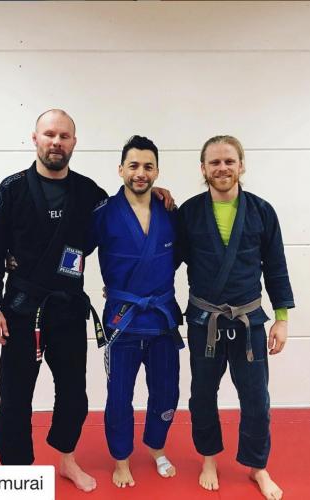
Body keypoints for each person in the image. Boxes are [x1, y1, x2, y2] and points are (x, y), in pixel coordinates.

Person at [0, 109, 173, 493]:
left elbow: (122, 218)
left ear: (74, 143)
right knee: (15, 397)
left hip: (67, 309)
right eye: (49, 134)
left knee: (73, 395)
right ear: (35, 138)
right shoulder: (12, 189)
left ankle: (67, 460)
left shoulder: (89, 194)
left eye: (64, 136)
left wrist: (153, 194)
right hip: (20, 309)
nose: (56, 142)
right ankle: (17, 475)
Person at [177, 135, 295, 499]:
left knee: (256, 398)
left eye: (229, 161)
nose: (222, 168)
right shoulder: (189, 213)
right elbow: (165, 260)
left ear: (241, 165)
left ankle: (258, 466)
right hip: (204, 321)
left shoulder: (262, 211)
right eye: (214, 162)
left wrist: (281, 318)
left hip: (249, 321)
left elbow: (275, 266)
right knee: (202, 395)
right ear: (203, 168)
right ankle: (209, 458)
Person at [87, 136, 183, 488]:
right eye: (133, 166)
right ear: (120, 170)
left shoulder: (170, 212)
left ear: (157, 171)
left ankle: (157, 447)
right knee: (119, 396)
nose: (140, 173)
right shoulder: (103, 213)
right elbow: (74, 249)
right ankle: (121, 459)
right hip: (122, 321)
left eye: (148, 166)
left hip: (161, 319)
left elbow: (183, 255)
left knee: (167, 392)